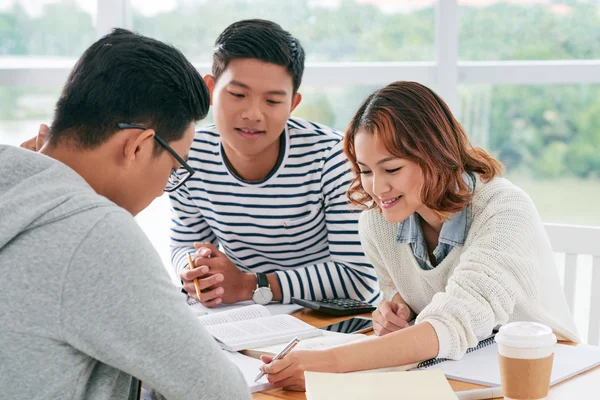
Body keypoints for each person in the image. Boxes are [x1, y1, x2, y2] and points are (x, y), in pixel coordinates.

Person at [259, 81, 579, 391]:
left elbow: (456, 320)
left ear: (435, 155)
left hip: (545, 376)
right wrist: (397, 310)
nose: (377, 188)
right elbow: (409, 298)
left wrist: (328, 364)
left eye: (392, 169)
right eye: (366, 170)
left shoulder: (504, 209)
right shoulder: (378, 222)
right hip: (455, 372)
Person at [2, 29, 250, 400]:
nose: (165, 187)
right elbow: (220, 393)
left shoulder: (15, 178)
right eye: (173, 169)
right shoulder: (93, 233)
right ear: (137, 145)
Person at [172, 19, 380, 307]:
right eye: (238, 95)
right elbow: (184, 244)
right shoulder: (190, 155)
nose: (253, 114)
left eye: (272, 101)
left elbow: (360, 280)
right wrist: (194, 270)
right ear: (210, 89)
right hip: (242, 320)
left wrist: (250, 285)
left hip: (329, 325)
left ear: (293, 105)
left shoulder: (333, 158)